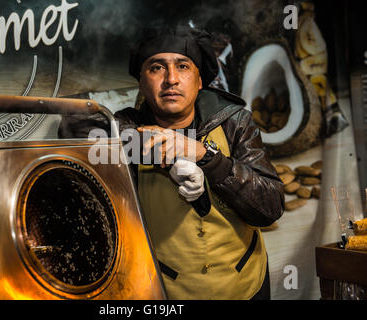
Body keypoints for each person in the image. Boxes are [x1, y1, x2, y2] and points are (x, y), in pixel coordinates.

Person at [58, 26, 284, 300]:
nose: (171, 79)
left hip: (246, 284)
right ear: (141, 82)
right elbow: (72, 130)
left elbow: (270, 207)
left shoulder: (234, 122)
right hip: (166, 291)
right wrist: (160, 152)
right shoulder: (126, 128)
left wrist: (206, 157)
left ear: (200, 81)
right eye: (156, 68)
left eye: (183, 66)